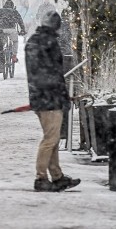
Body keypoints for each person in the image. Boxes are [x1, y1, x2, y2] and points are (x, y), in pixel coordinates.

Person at [24, 11, 81, 192]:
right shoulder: (50, 43)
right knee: (50, 139)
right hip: (51, 98)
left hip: (39, 97)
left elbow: (37, 74)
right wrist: (62, 96)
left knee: (53, 138)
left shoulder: (33, 41)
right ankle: (41, 177)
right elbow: (55, 74)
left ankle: (57, 176)